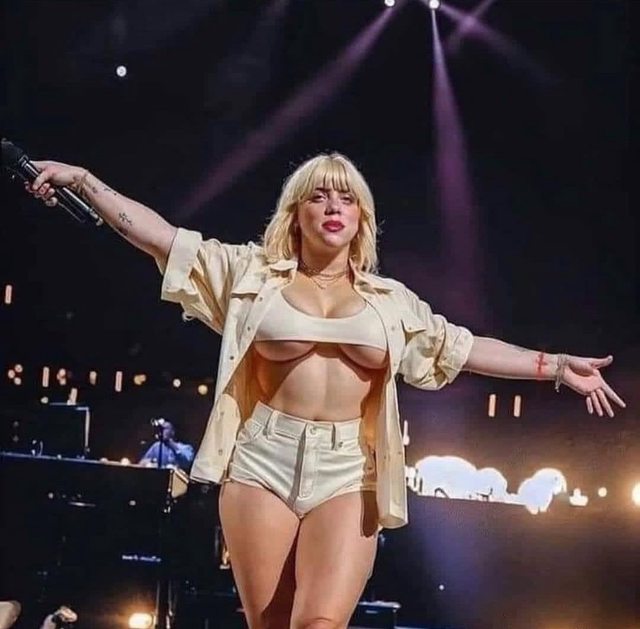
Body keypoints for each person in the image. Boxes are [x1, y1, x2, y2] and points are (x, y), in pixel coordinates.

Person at [25, 153, 625, 629]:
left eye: (347, 197)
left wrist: (555, 366)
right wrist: (84, 181)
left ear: (361, 217)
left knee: (319, 623)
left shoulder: (389, 301)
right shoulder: (250, 275)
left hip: (348, 470)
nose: (333, 205)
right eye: (318, 195)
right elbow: (160, 238)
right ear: (296, 214)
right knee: (272, 623)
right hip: (260, 460)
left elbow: (463, 347)